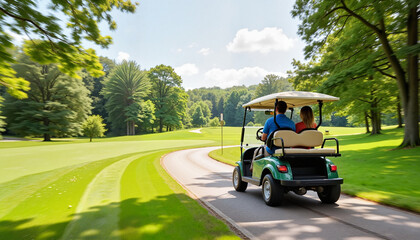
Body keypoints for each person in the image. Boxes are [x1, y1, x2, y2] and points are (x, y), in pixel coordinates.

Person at [252, 101, 296, 167]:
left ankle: (252, 169)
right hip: (286, 151)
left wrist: (261, 137)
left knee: (256, 151)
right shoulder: (291, 123)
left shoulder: (270, 121)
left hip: (272, 151)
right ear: (285, 110)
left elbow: (263, 138)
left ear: (276, 109)